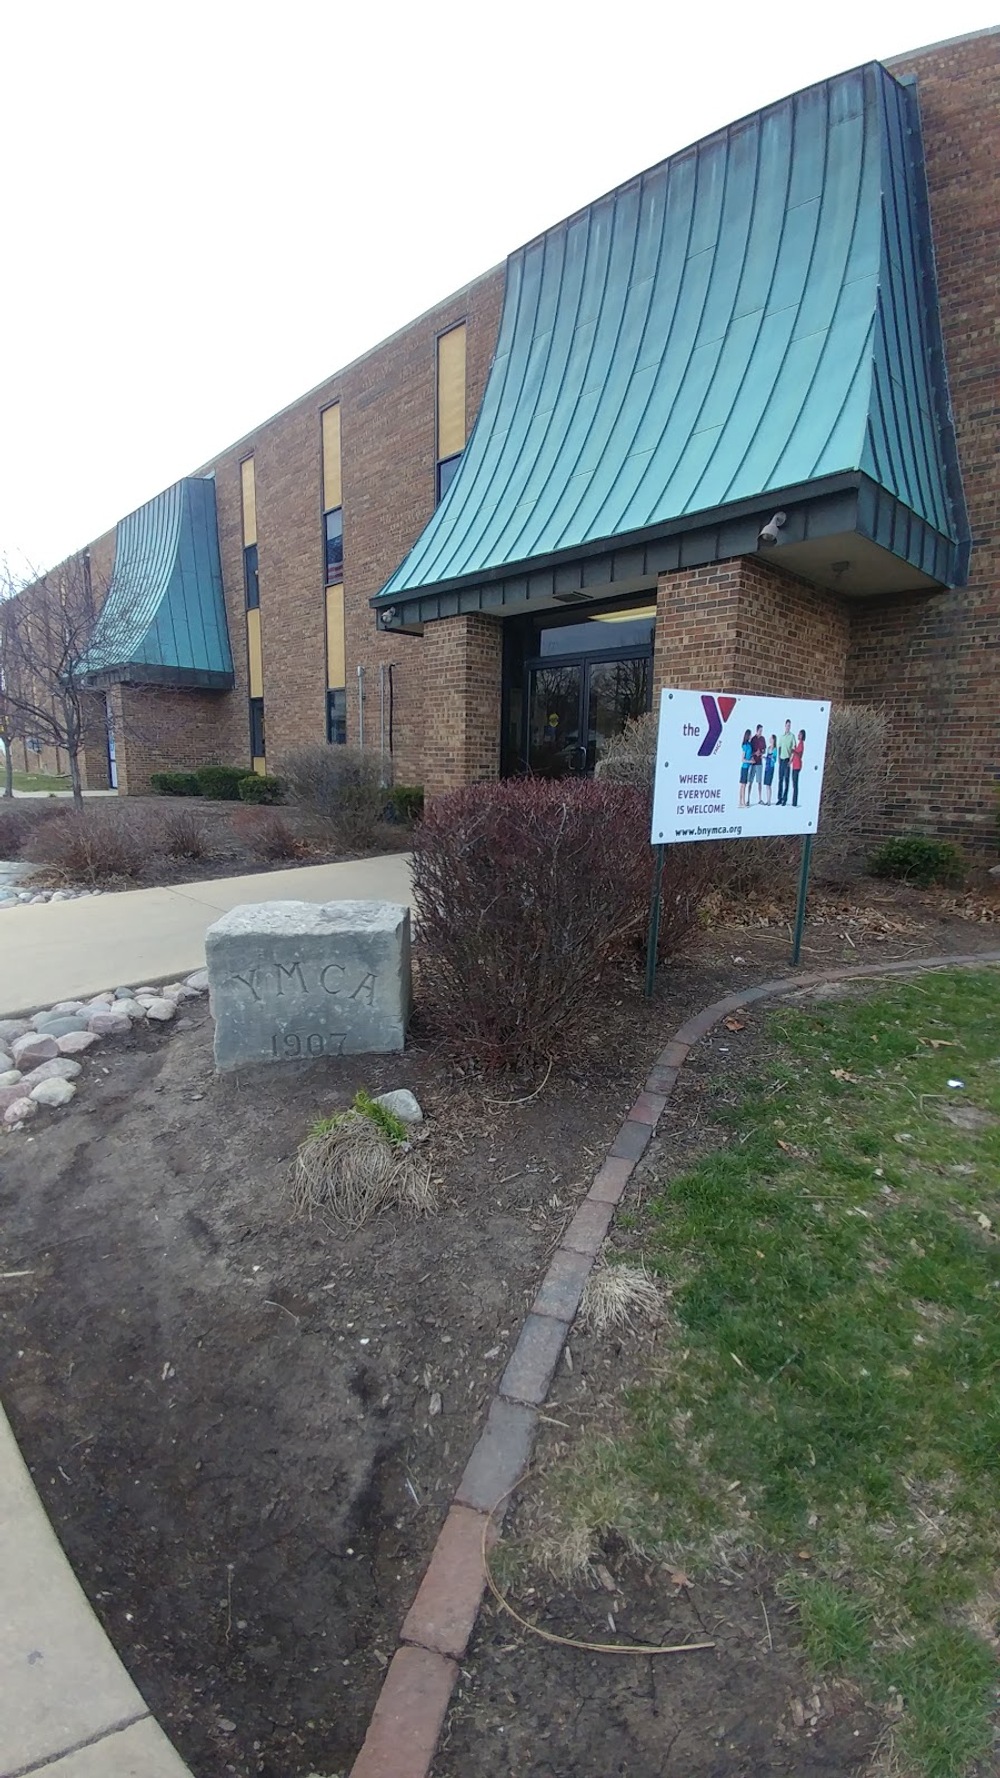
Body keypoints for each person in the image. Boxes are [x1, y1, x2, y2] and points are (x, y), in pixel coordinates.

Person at [777, 719, 794, 805]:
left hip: (787, 759)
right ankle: (779, 798)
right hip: (782, 759)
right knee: (780, 779)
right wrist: (778, 758)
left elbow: (793, 749)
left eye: (789, 726)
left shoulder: (792, 736)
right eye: (787, 725)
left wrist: (791, 760)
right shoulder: (782, 736)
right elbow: (779, 747)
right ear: (785, 726)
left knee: (786, 780)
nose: (788, 727)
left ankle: (785, 799)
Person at [748, 724, 766, 802]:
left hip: (760, 763)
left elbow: (764, 750)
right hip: (753, 762)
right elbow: (750, 752)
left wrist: (761, 753)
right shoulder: (753, 739)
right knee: (750, 781)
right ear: (757, 730)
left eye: (762, 731)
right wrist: (755, 753)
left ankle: (760, 798)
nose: (761, 732)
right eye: (760, 731)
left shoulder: (763, 739)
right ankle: (748, 799)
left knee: (759, 782)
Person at [791, 728, 806, 806]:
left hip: (797, 766)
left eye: (800, 734)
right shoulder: (799, 744)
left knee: (795, 784)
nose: (798, 735)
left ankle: (795, 802)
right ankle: (794, 801)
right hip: (794, 765)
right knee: (794, 783)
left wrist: (794, 751)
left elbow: (799, 754)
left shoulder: (801, 744)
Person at [739, 729, 752, 806]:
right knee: (743, 785)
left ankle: (741, 801)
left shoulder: (749, 745)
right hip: (744, 767)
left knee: (744, 784)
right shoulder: (745, 746)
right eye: (750, 735)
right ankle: (742, 801)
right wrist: (750, 761)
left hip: (748, 767)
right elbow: (743, 759)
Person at [763, 733, 777, 805]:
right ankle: (767, 799)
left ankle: (769, 801)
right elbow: (767, 758)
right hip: (767, 767)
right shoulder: (768, 748)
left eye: (771, 738)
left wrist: (772, 758)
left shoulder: (775, 749)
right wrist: (764, 758)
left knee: (769, 784)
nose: (770, 739)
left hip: (771, 767)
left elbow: (775, 760)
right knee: (766, 785)